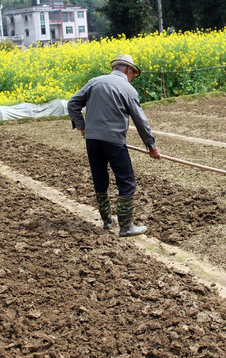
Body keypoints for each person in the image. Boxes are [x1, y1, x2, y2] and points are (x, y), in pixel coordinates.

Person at [68, 54, 161, 237]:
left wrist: (83, 127)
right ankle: (126, 227)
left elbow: (73, 104)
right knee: (126, 181)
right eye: (133, 74)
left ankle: (108, 220)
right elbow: (140, 121)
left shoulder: (95, 82)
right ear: (128, 70)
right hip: (114, 141)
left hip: (92, 140)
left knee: (100, 178)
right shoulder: (128, 89)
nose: (132, 77)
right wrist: (151, 146)